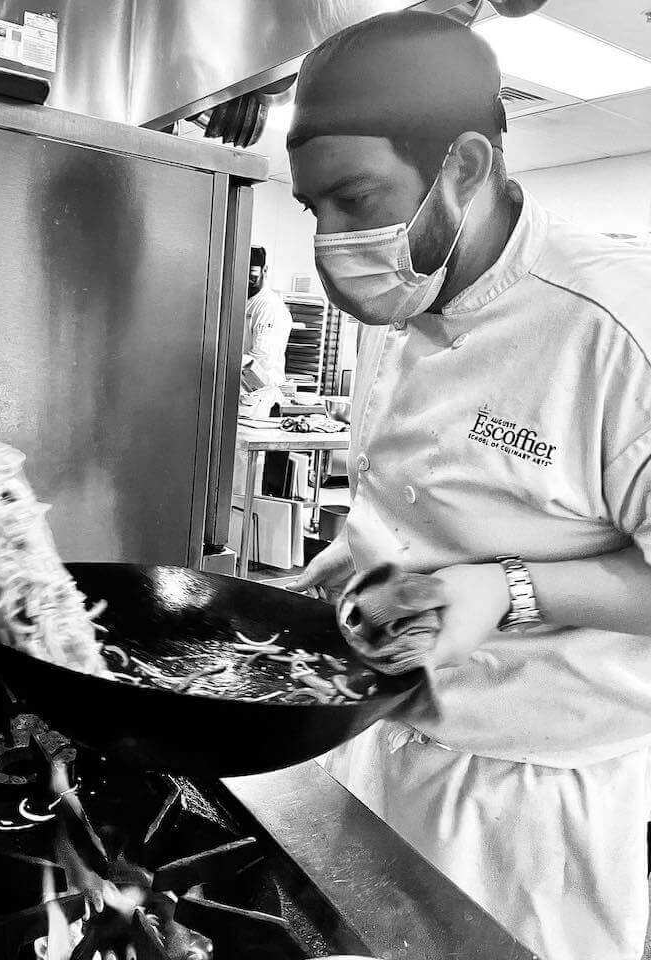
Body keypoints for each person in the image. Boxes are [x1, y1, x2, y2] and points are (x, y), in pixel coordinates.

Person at [285, 10, 651, 960]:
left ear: (465, 167)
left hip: (529, 812)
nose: (332, 243)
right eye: (313, 208)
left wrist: (509, 589)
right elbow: (422, 502)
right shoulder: (410, 295)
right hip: (376, 746)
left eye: (356, 198)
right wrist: (351, 560)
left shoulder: (616, 328)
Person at [241, 246, 292, 393]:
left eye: (252, 276)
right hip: (244, 390)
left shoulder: (270, 307)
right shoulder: (244, 301)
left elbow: (259, 364)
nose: (247, 282)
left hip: (260, 395)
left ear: (265, 270)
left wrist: (242, 392)